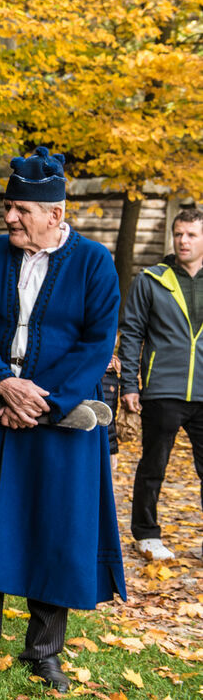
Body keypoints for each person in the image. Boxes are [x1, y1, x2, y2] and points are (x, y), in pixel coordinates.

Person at [0, 147, 125, 694]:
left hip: (58, 423)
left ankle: (45, 652)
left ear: (55, 215)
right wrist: (2, 383)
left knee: (53, 529)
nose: (9, 217)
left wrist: (42, 402)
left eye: (20, 209)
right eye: (8, 207)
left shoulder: (95, 264)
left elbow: (96, 342)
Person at [117, 208, 203, 561]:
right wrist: (129, 385)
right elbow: (132, 333)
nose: (183, 241)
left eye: (192, 235)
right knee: (153, 466)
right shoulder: (151, 279)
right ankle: (147, 534)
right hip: (162, 388)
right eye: (178, 234)